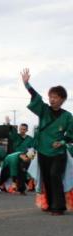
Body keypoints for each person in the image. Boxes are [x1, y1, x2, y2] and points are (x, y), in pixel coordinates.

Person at [22, 68, 73, 214]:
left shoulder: (68, 116)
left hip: (58, 152)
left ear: (62, 99)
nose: (52, 99)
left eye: (55, 97)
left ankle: (59, 207)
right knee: (47, 178)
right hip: (43, 150)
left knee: (55, 175)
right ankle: (50, 204)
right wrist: (27, 85)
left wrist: (62, 142)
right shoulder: (44, 110)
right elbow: (36, 98)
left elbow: (71, 135)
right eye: (50, 96)